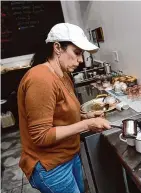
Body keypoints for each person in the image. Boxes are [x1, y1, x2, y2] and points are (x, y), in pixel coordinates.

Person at [17, 23, 111, 193]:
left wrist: (87, 116)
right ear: (58, 48)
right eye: (76, 53)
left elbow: (61, 115)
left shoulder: (63, 75)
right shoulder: (41, 79)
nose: (81, 60)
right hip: (51, 166)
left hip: (68, 155)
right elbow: (41, 136)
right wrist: (87, 125)